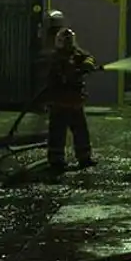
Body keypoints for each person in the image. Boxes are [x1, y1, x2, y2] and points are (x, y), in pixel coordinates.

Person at [44, 27, 103, 171]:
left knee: (81, 131)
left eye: (70, 41)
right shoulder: (55, 58)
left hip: (75, 102)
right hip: (59, 102)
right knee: (57, 132)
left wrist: (88, 63)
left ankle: (84, 157)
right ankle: (56, 160)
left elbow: (89, 57)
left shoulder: (77, 54)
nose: (68, 44)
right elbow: (53, 76)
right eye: (66, 41)